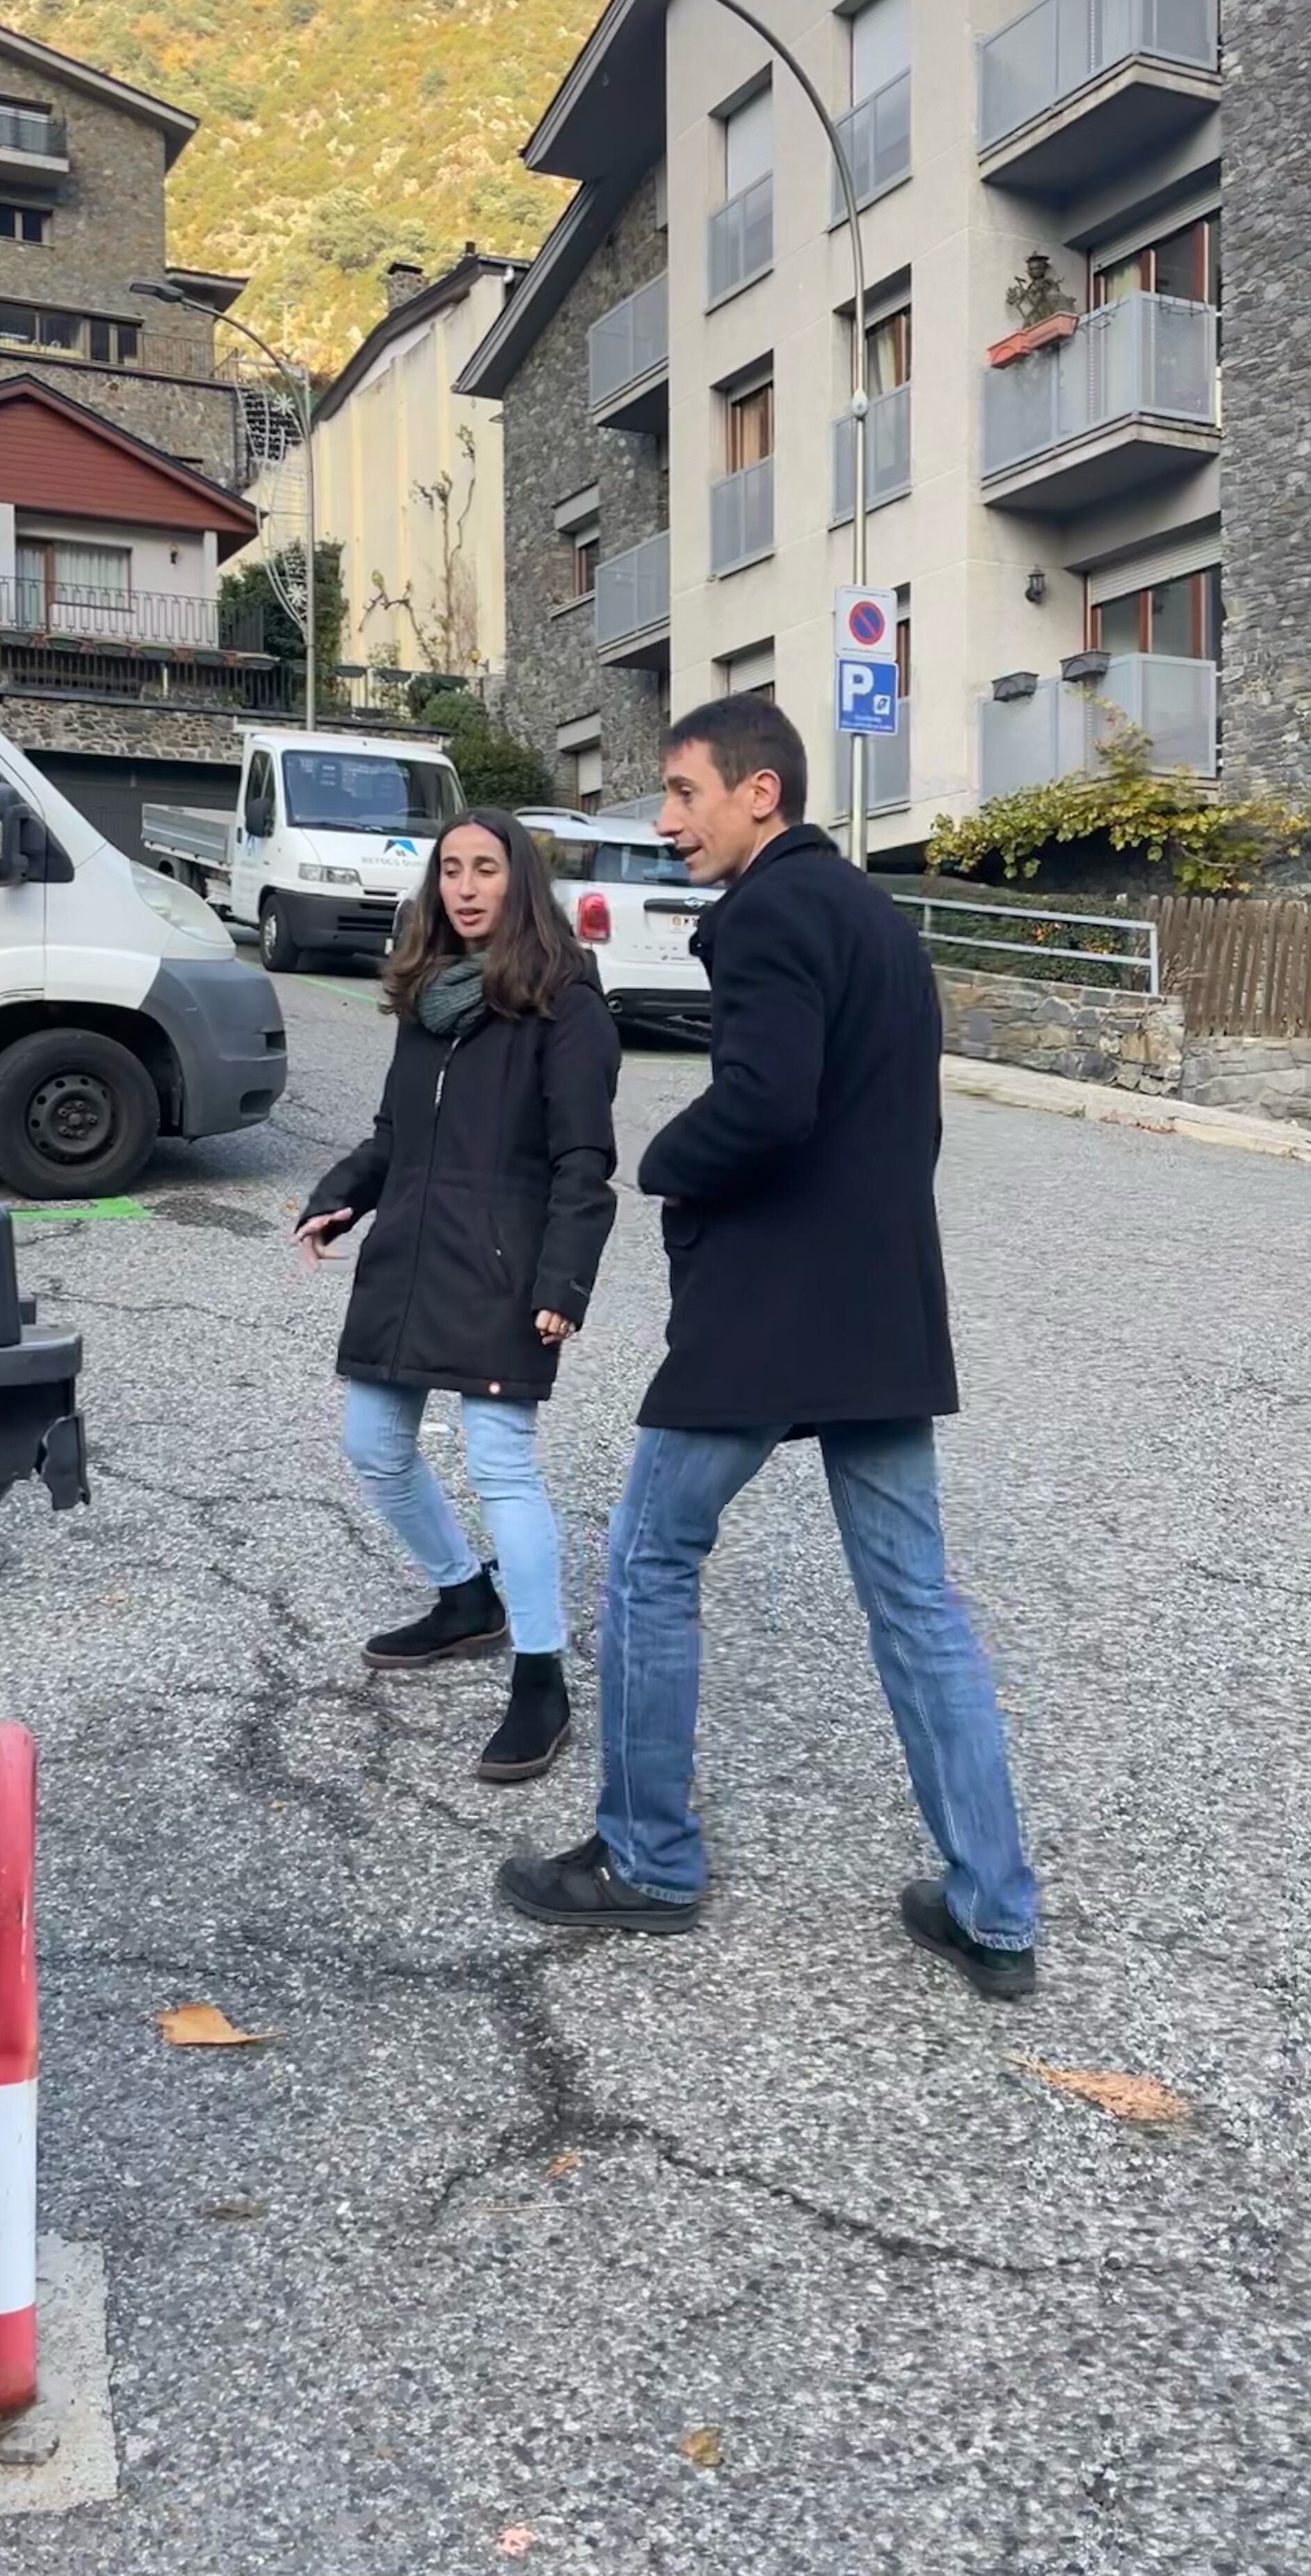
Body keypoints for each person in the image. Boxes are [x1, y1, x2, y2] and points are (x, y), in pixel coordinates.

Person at [496, 697, 1039, 1997]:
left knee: (648, 1559)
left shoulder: (771, 913)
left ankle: (645, 1859)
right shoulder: (875, 921)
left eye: (685, 793)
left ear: (761, 797)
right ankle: (995, 1910)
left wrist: (667, 1164)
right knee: (916, 1603)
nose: (666, 821)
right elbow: (889, 1123)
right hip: (880, 1310)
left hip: (774, 1309)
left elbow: (769, 1104)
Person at [296, 809, 619, 1784]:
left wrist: (563, 1278)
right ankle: (462, 1596)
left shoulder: (567, 1003)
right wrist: (340, 1198)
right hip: (409, 1265)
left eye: (486, 870)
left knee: (503, 1469)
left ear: (519, 882)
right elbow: (397, 1136)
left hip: (503, 1272)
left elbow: (584, 1160)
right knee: (373, 1447)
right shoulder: (426, 996)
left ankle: (541, 1674)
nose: (467, 888)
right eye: (451, 871)